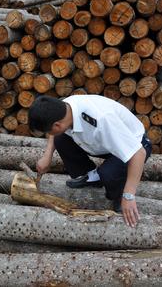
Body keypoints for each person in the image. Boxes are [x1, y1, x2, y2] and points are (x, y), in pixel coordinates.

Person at [29, 95, 152, 228]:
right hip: (104, 144)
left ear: (57, 125)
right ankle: (91, 177)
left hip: (134, 145)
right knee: (60, 139)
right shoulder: (62, 108)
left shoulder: (102, 119)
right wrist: (47, 156)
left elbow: (138, 153)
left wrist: (129, 195)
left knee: (109, 174)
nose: (49, 134)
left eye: (48, 131)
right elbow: (55, 133)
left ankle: (118, 196)